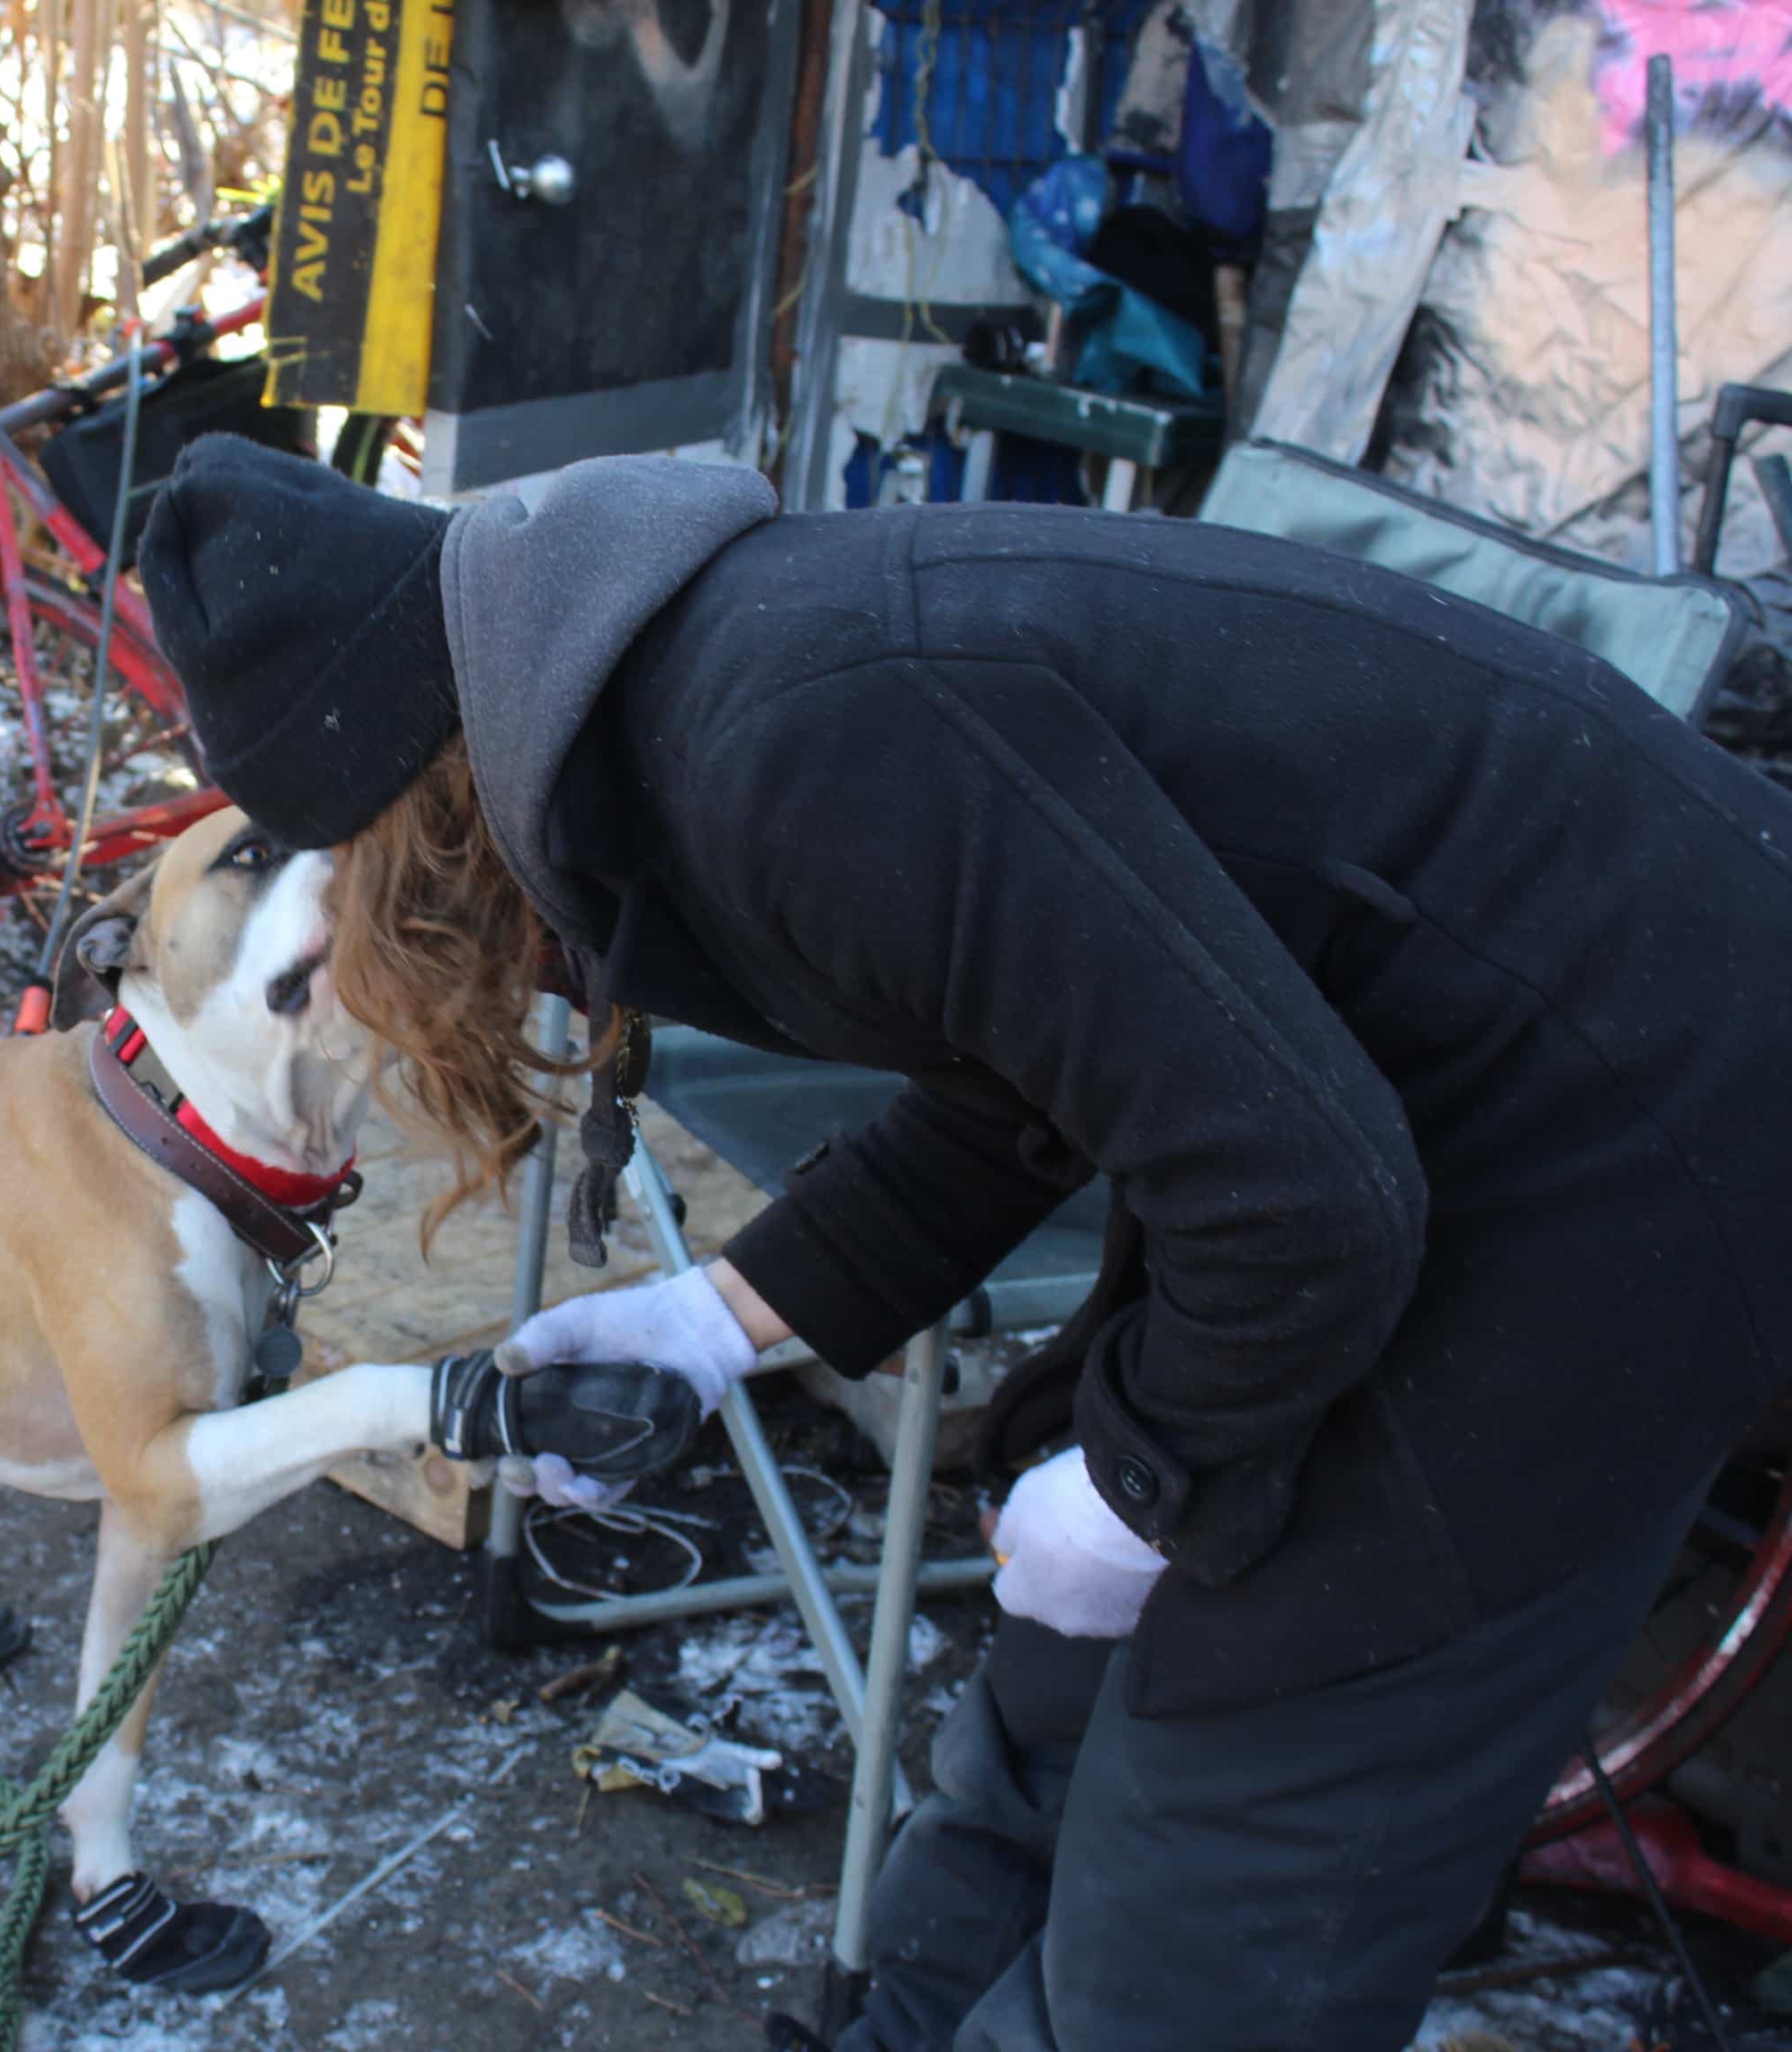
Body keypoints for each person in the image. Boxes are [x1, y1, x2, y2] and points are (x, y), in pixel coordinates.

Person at [129, 435, 1792, 2052]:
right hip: (1374, 1102)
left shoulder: (794, 740)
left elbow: (1306, 1197)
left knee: (1237, 1834)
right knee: (1062, 1694)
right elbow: (1034, 1075)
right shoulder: (672, 709)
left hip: (1630, 1113)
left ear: (419, 806)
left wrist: (1150, 1479)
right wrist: (718, 1320)